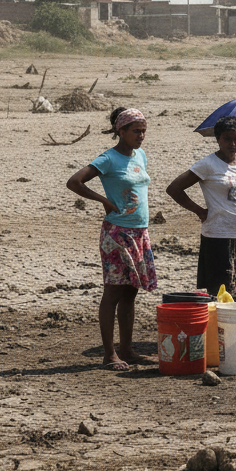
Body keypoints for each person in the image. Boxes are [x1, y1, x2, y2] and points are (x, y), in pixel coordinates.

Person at [66, 107, 157, 372]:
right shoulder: (108, 159)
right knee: (113, 292)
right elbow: (75, 182)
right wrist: (104, 201)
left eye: (144, 131)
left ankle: (127, 348)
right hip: (117, 234)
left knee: (131, 292)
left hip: (139, 232)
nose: (141, 136)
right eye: (136, 131)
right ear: (121, 131)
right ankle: (109, 354)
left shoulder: (140, 155)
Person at [166, 115, 236, 298]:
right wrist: (199, 210)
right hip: (219, 237)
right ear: (218, 139)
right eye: (227, 139)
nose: (233, 144)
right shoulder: (208, 164)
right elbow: (174, 189)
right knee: (221, 294)